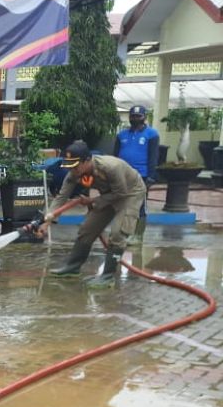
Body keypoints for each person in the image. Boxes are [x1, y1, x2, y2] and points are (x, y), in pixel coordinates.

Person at [33, 140, 146, 287]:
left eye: (75, 166)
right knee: (87, 229)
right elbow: (61, 197)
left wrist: (92, 200)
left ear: (87, 160)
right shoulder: (74, 172)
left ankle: (108, 277)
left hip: (129, 193)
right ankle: (72, 267)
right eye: (70, 166)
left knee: (118, 234)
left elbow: (121, 193)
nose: (72, 170)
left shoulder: (111, 167)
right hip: (107, 194)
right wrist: (47, 222)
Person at [113, 104, 160, 240]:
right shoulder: (122, 135)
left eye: (138, 116)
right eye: (132, 116)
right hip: (122, 175)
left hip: (142, 175)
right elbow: (115, 155)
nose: (135, 119)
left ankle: (138, 236)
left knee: (140, 207)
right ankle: (122, 233)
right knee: (122, 204)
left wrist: (151, 176)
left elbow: (154, 156)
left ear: (144, 117)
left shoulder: (151, 134)